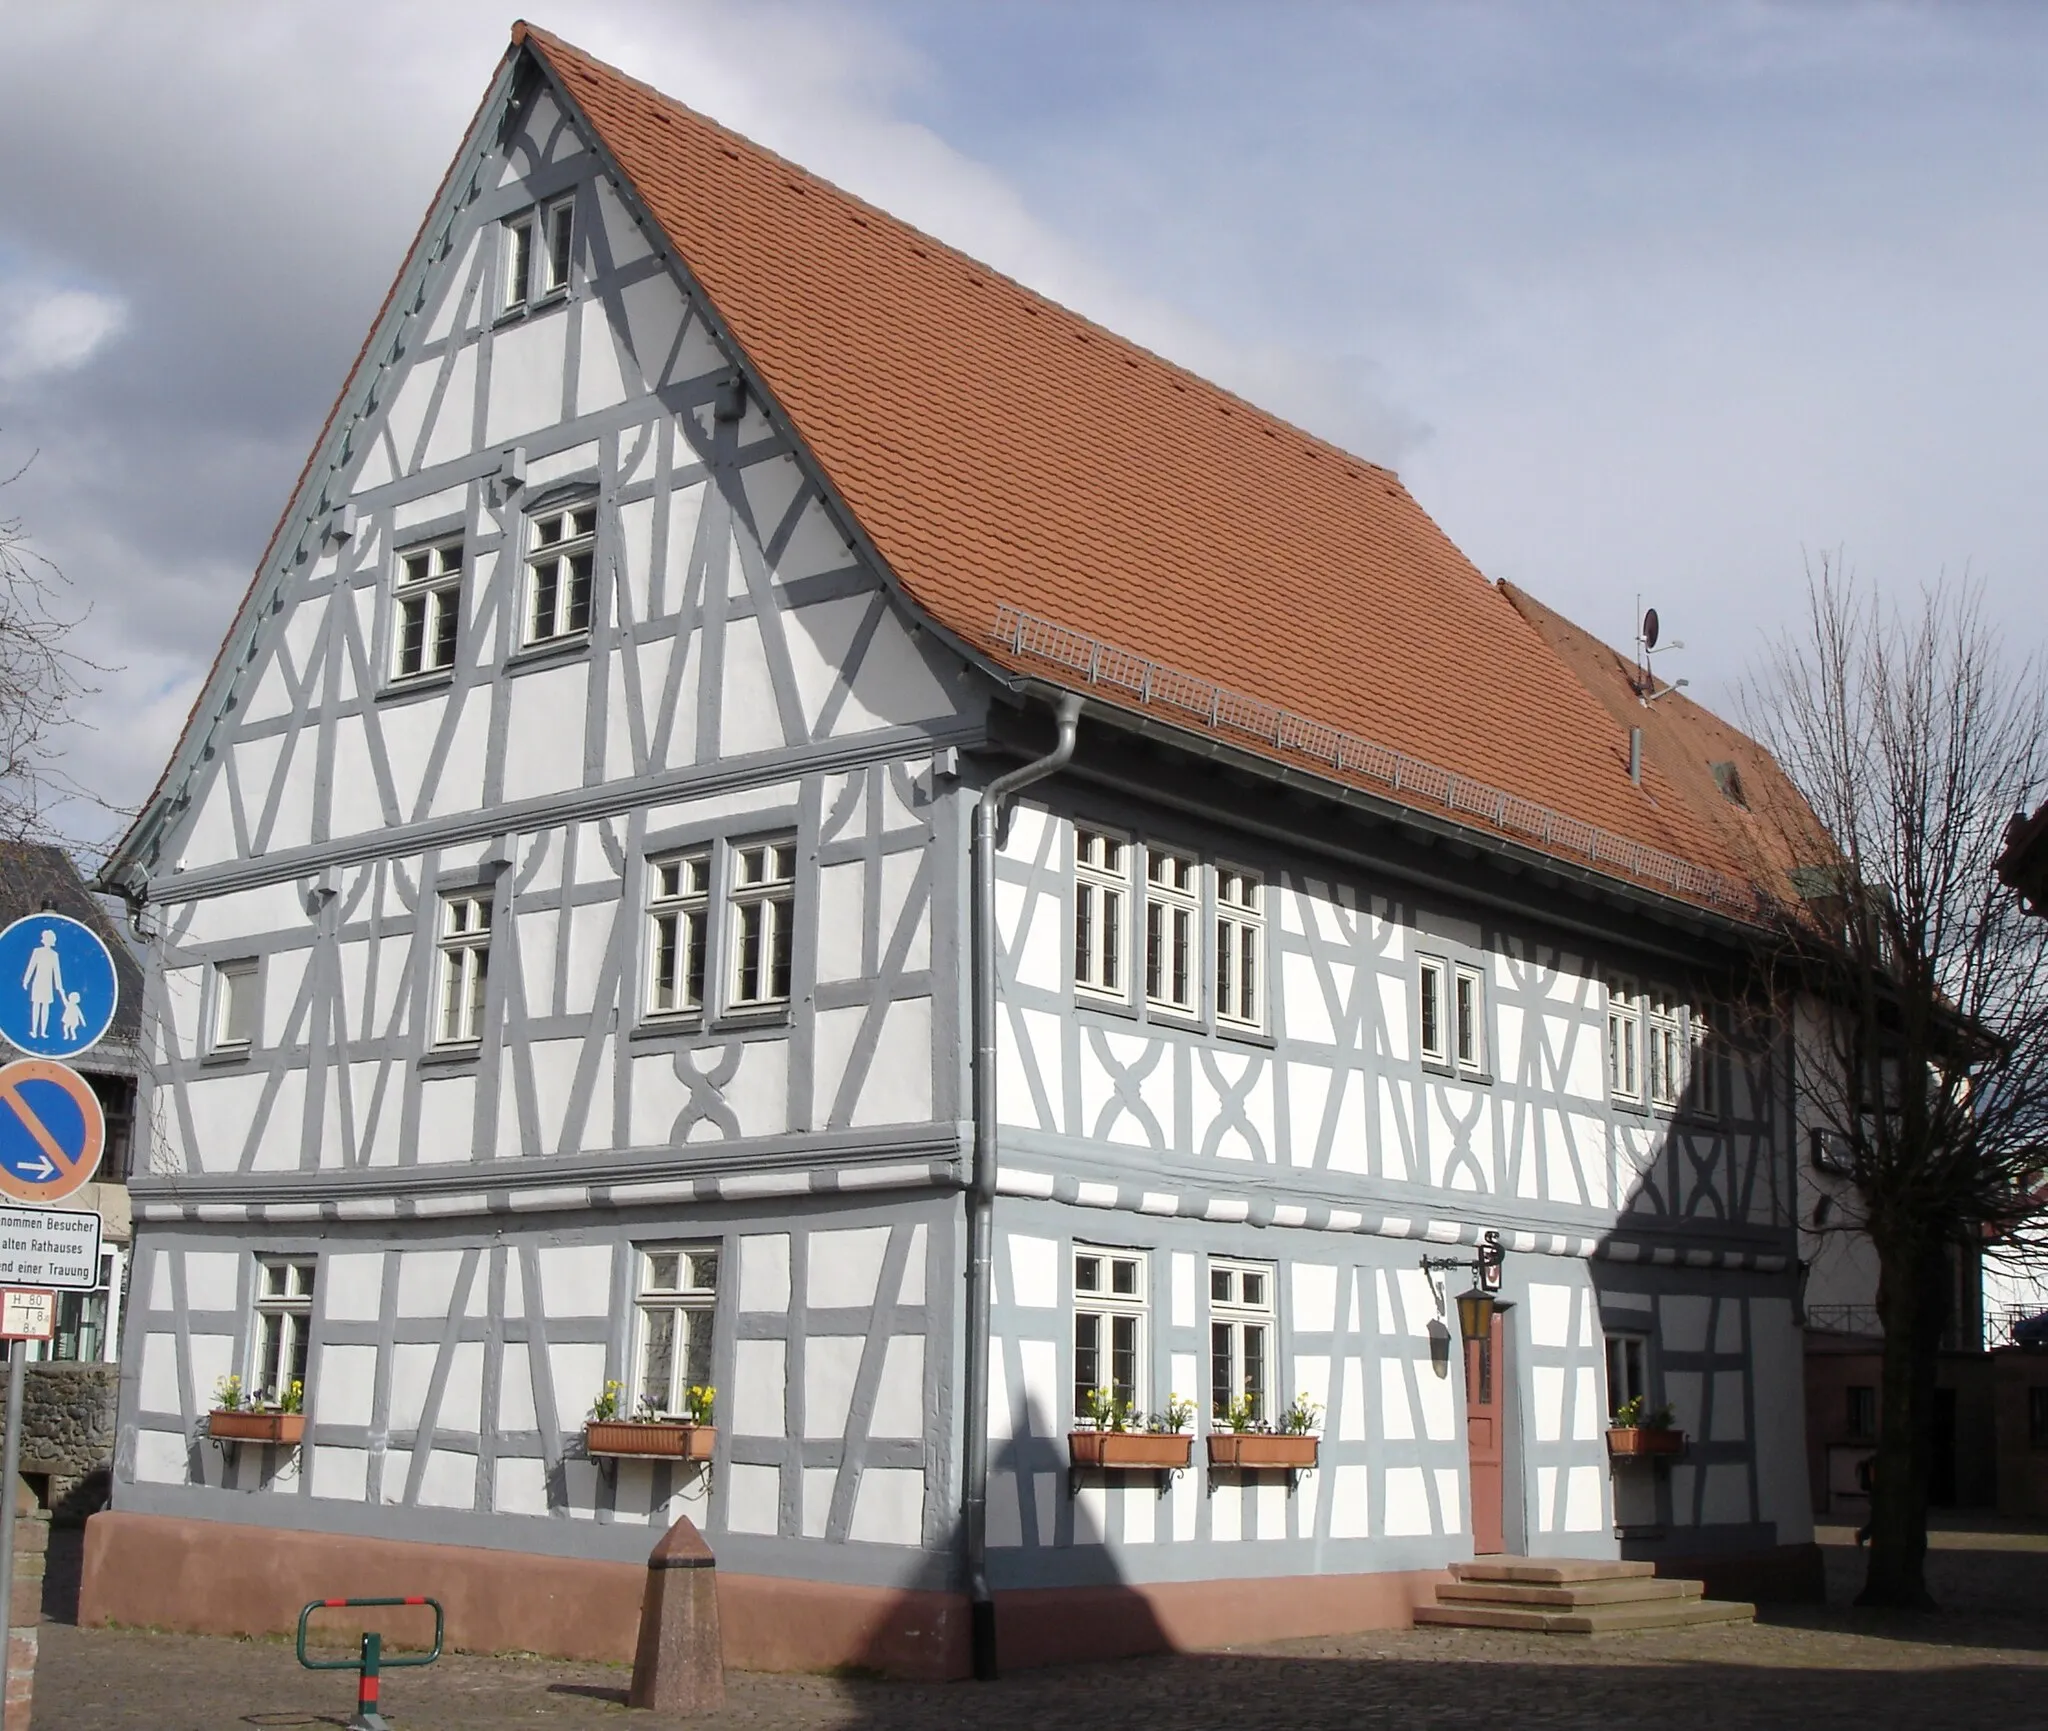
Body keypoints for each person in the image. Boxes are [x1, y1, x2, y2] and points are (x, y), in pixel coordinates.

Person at [21, 930, 63, 1041]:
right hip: (38, 982)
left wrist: (59, 986)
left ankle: (43, 1031)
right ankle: (34, 1030)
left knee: (45, 1007)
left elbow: (57, 972)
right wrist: (26, 981)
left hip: (48, 984)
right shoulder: (37, 952)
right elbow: (31, 967)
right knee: (36, 1006)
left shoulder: (54, 955)